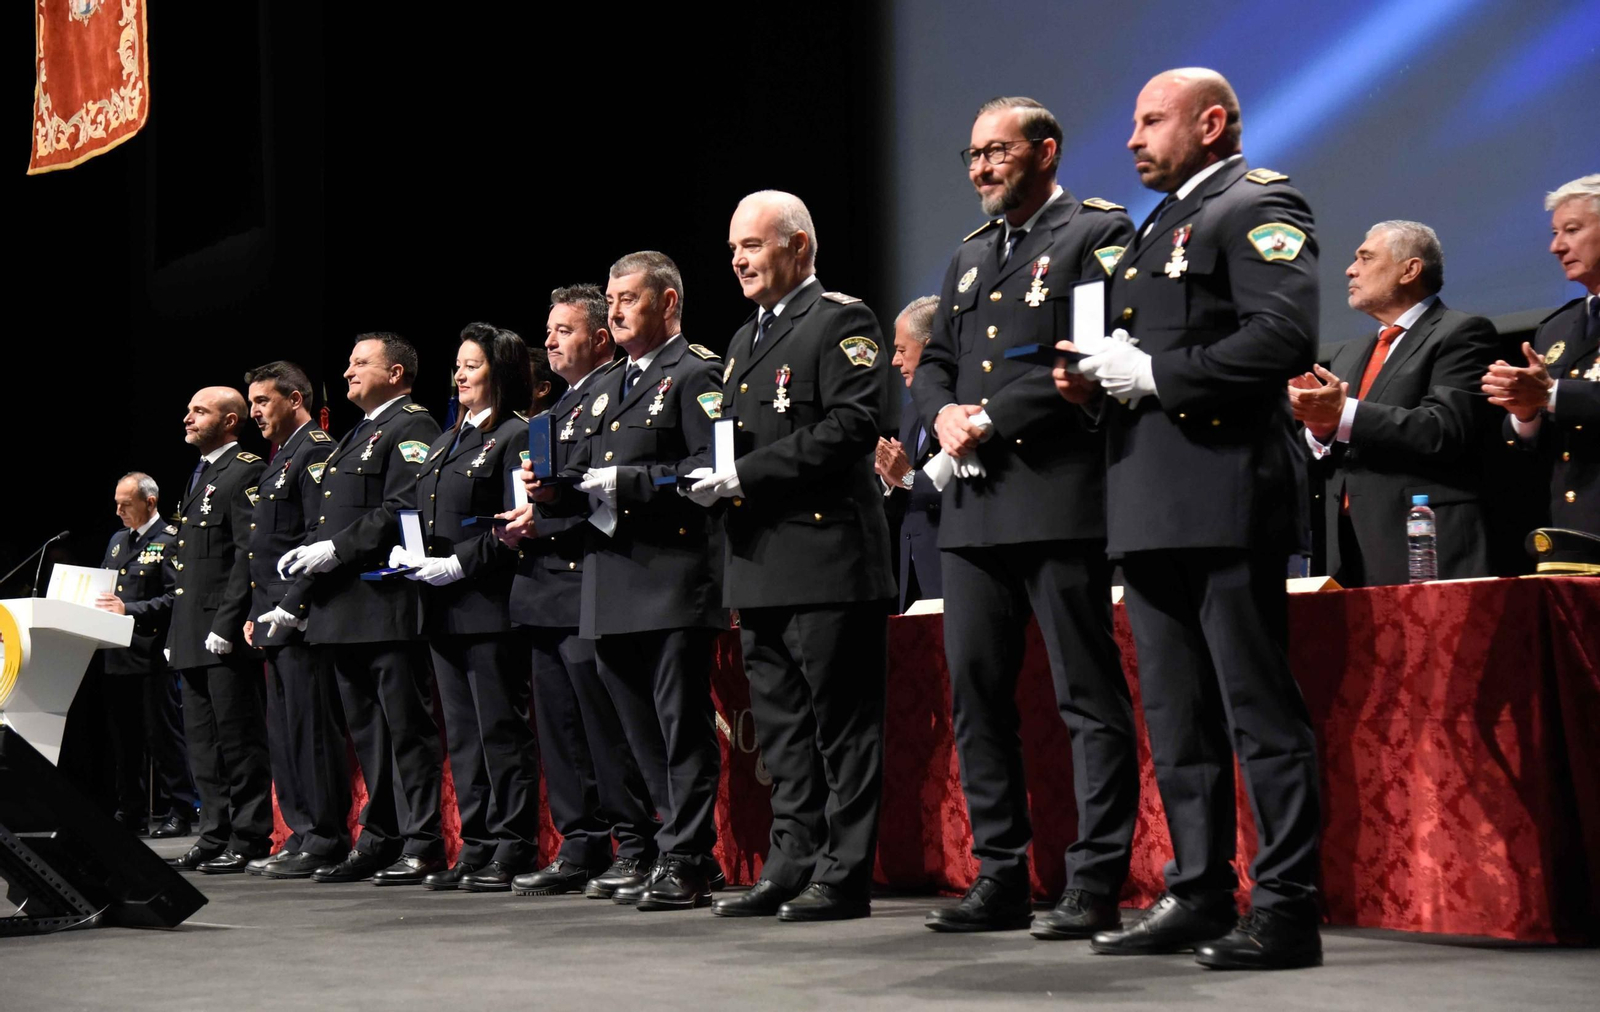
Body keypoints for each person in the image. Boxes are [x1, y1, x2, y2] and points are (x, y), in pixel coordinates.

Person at [1056, 68, 1323, 969]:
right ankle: (1200, 890)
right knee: (1177, 719)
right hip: (1148, 501)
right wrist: (1095, 382)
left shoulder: (1255, 205)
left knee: (1257, 714)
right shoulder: (1157, 227)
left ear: (1211, 123)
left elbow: (1282, 335)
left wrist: (1160, 377)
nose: (1131, 138)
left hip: (1224, 493)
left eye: (1150, 120)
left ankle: (1286, 908)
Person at [912, 97, 1140, 938]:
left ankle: (1094, 882)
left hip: (1057, 497)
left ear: (1045, 152)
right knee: (978, 699)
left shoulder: (1093, 234)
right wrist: (939, 415)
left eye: (996, 152)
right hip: (972, 510)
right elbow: (935, 360)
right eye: (972, 155)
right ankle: (999, 873)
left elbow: (1088, 356)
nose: (979, 168)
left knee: (1087, 697)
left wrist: (992, 418)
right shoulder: (970, 256)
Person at [690, 190, 894, 921]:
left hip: (827, 558)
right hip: (760, 560)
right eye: (733, 249)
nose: (739, 259)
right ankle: (791, 861)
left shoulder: (841, 321)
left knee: (841, 727)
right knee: (780, 732)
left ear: (798, 246)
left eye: (753, 244)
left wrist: (746, 474)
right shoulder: (745, 341)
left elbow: (851, 427)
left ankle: (844, 875)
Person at [546, 251, 726, 911]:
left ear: (668, 303)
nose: (615, 309)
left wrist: (625, 483)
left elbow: (710, 471)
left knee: (679, 727)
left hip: (673, 576)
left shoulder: (696, 372)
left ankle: (691, 857)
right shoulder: (609, 385)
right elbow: (588, 476)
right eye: (612, 299)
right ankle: (663, 849)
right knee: (636, 733)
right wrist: (557, 492)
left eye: (628, 297)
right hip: (610, 578)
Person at [499, 285, 660, 899]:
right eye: (549, 330)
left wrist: (546, 518)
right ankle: (580, 843)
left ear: (597, 339)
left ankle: (635, 842)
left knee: (605, 729)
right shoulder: (559, 407)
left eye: (562, 330)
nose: (549, 341)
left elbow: (601, 491)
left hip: (588, 578)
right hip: (544, 585)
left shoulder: (614, 393)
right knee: (563, 731)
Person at [275, 333, 446, 885]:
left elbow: (404, 505)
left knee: (406, 732)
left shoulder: (412, 425)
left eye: (360, 362)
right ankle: (381, 837)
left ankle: (422, 842)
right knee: (370, 736)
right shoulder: (357, 435)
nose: (347, 371)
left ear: (396, 373)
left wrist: (337, 549)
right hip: (344, 611)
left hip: (386, 603)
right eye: (348, 361)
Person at [396, 323, 541, 892]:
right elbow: (423, 515)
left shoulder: (515, 436)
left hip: (489, 603)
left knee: (501, 730)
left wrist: (461, 561)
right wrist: (408, 553)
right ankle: (477, 844)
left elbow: (516, 526)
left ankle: (514, 845)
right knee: (462, 735)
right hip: (441, 608)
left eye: (472, 366)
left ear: (500, 374)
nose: (459, 375)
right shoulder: (443, 441)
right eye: (456, 366)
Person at [1290, 221, 1501, 586]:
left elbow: (1444, 429)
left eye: (1365, 257)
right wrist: (1320, 430)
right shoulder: (1348, 354)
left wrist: (1344, 413)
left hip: (1425, 544)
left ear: (1410, 270)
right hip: (1347, 550)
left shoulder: (1461, 333)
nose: (1350, 269)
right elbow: (1330, 450)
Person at [241, 361, 350, 879]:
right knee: (284, 734)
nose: (254, 411)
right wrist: (255, 613)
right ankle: (301, 833)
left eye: (263, 400)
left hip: (301, 618)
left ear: (296, 398)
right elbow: (264, 548)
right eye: (253, 401)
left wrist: (294, 607)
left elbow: (317, 537)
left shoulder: (317, 452)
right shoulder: (279, 458)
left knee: (311, 732)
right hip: (272, 616)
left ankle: (324, 837)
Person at [164, 387, 273, 874]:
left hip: (222, 629)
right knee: (202, 745)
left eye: (200, 411)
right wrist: (175, 633)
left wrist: (228, 622)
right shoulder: (201, 473)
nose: (188, 417)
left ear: (231, 421)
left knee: (237, 739)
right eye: (189, 410)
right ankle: (213, 833)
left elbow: (245, 553)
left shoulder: (244, 469)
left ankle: (248, 836)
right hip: (191, 630)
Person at [1483, 174, 1600, 534]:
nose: (1557, 247)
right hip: (1573, 534)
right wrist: (1525, 413)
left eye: (1572, 230)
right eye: (1554, 233)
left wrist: (1549, 394)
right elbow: (1543, 447)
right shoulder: (1557, 328)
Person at [92, 472, 195, 838]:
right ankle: (130, 810)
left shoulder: (169, 540)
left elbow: (175, 597)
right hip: (116, 652)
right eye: (116, 502)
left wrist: (130, 609)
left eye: (126, 503)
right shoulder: (118, 541)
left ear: (149, 502)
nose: (118, 510)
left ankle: (180, 809)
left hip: (153, 653)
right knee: (125, 739)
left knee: (162, 737)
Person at [876, 295, 944, 611]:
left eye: (902, 350)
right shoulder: (910, 413)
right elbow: (905, 496)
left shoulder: (963, 405)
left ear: (929, 348)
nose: (894, 360)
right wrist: (890, 480)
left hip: (953, 576)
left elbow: (968, 490)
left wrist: (905, 475)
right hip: (913, 582)